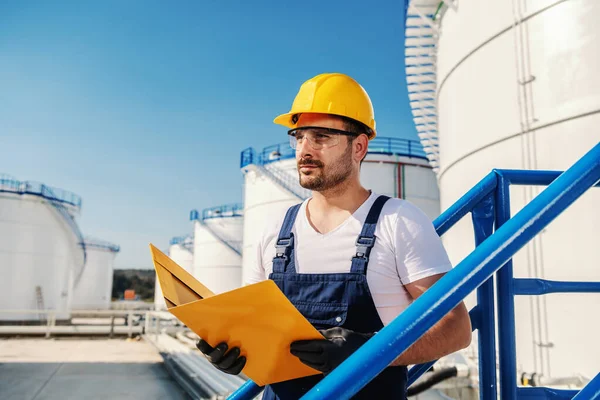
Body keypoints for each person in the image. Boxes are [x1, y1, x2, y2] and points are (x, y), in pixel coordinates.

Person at [196, 73, 472, 399]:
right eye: (298, 137)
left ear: (359, 146)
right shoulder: (273, 230)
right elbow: (257, 329)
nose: (305, 150)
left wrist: (369, 352)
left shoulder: (398, 222)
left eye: (322, 137)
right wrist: (234, 353)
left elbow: (455, 329)